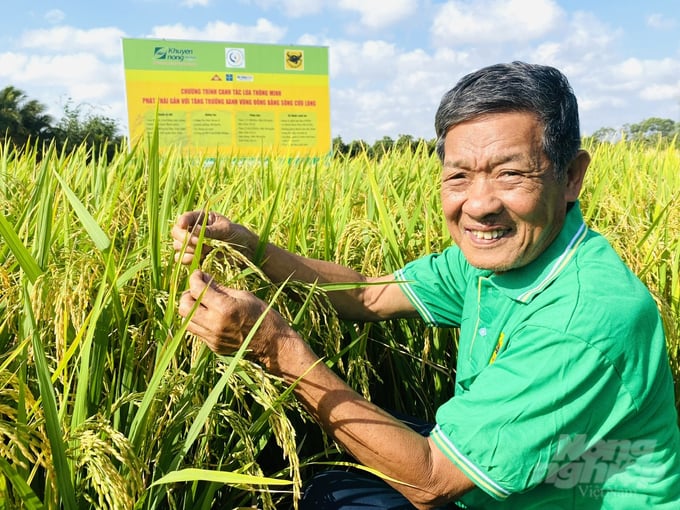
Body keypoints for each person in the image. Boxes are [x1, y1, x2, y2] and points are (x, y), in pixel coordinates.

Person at [171, 61, 680, 509]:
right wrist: (245, 243)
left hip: (531, 496)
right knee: (324, 471)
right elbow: (367, 293)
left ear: (571, 176)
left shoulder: (583, 319)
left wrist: (275, 349)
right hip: (502, 475)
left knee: (328, 494)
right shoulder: (500, 257)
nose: (479, 204)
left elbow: (432, 481)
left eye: (510, 173)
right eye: (459, 176)